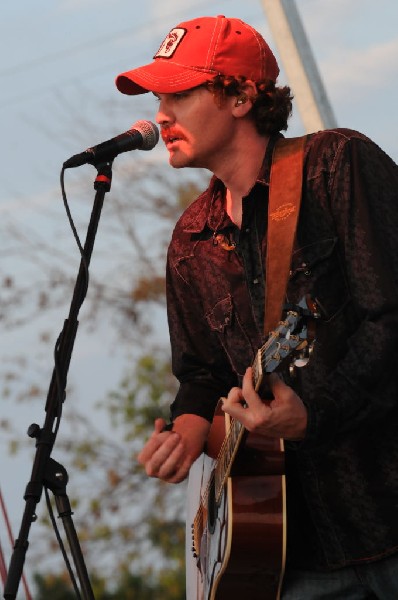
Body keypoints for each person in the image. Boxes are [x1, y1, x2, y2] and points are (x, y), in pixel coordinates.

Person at [115, 15, 398, 599]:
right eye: (157, 97)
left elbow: (390, 315)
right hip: (291, 556)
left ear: (242, 96)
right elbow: (200, 375)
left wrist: (314, 413)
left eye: (179, 93)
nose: (160, 114)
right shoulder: (191, 239)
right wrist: (188, 431)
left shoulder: (335, 165)